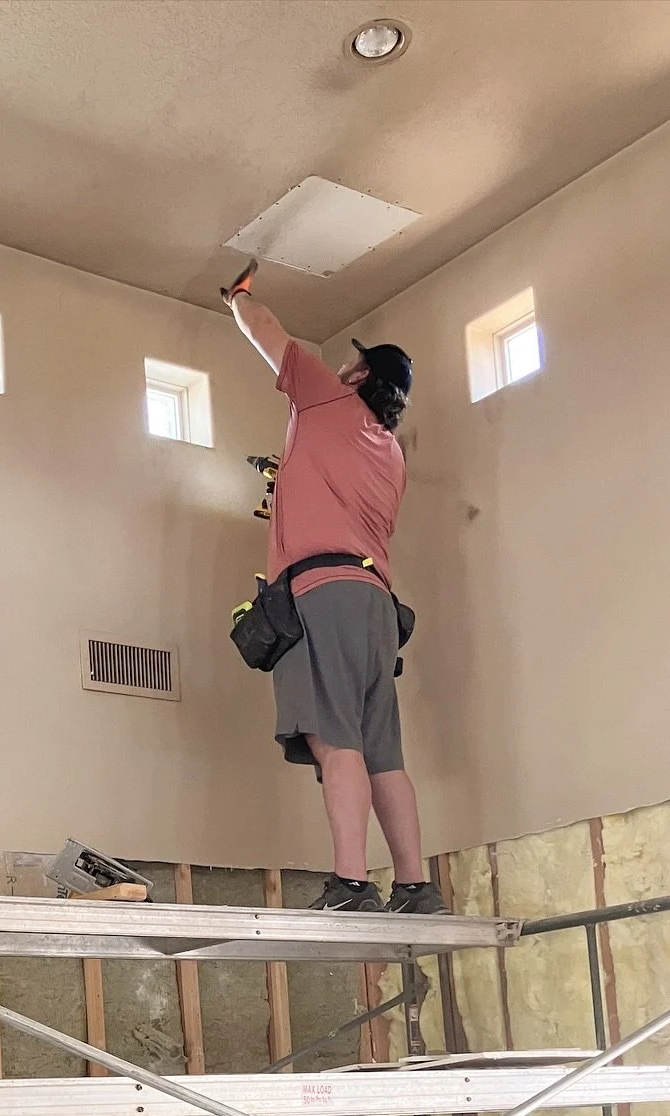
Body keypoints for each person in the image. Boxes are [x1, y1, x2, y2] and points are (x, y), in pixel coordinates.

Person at [224, 259, 444, 914]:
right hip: (377, 602)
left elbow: (267, 330)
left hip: (322, 592)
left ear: (362, 378)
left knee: (334, 739)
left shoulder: (328, 398)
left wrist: (237, 296)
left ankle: (350, 884)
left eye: (354, 366)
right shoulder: (389, 451)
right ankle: (414, 885)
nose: (343, 369)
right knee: (382, 751)